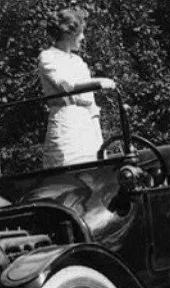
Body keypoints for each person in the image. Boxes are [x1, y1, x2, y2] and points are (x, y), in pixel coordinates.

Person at [38, 8, 116, 168]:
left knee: (95, 173)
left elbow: (91, 106)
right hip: (66, 126)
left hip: (86, 127)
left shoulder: (79, 62)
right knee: (68, 177)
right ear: (69, 34)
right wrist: (98, 82)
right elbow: (65, 85)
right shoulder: (47, 57)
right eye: (81, 33)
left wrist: (99, 143)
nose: (83, 37)